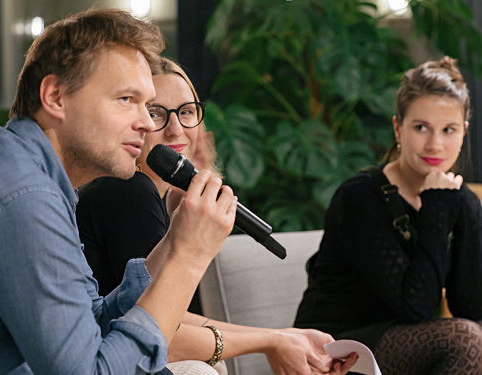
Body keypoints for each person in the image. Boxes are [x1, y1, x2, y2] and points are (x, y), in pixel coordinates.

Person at [0, 8, 238, 375]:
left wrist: (172, 244)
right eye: (126, 100)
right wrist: (189, 258)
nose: (146, 122)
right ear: (55, 96)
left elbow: (90, 322)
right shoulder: (24, 198)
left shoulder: (32, 175)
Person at [76, 57, 359, 375]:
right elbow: (161, 336)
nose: (176, 130)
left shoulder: (154, 195)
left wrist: (283, 337)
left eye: (186, 112)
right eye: (156, 113)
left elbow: (167, 317)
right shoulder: (127, 190)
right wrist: (271, 343)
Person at [294, 56, 482, 375]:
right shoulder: (361, 197)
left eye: (448, 130)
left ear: (463, 132)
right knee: (464, 341)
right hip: (334, 347)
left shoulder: (458, 199)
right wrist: (435, 207)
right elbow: (416, 307)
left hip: (409, 342)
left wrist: (462, 211)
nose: (435, 144)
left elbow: (471, 307)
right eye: (421, 127)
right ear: (398, 127)